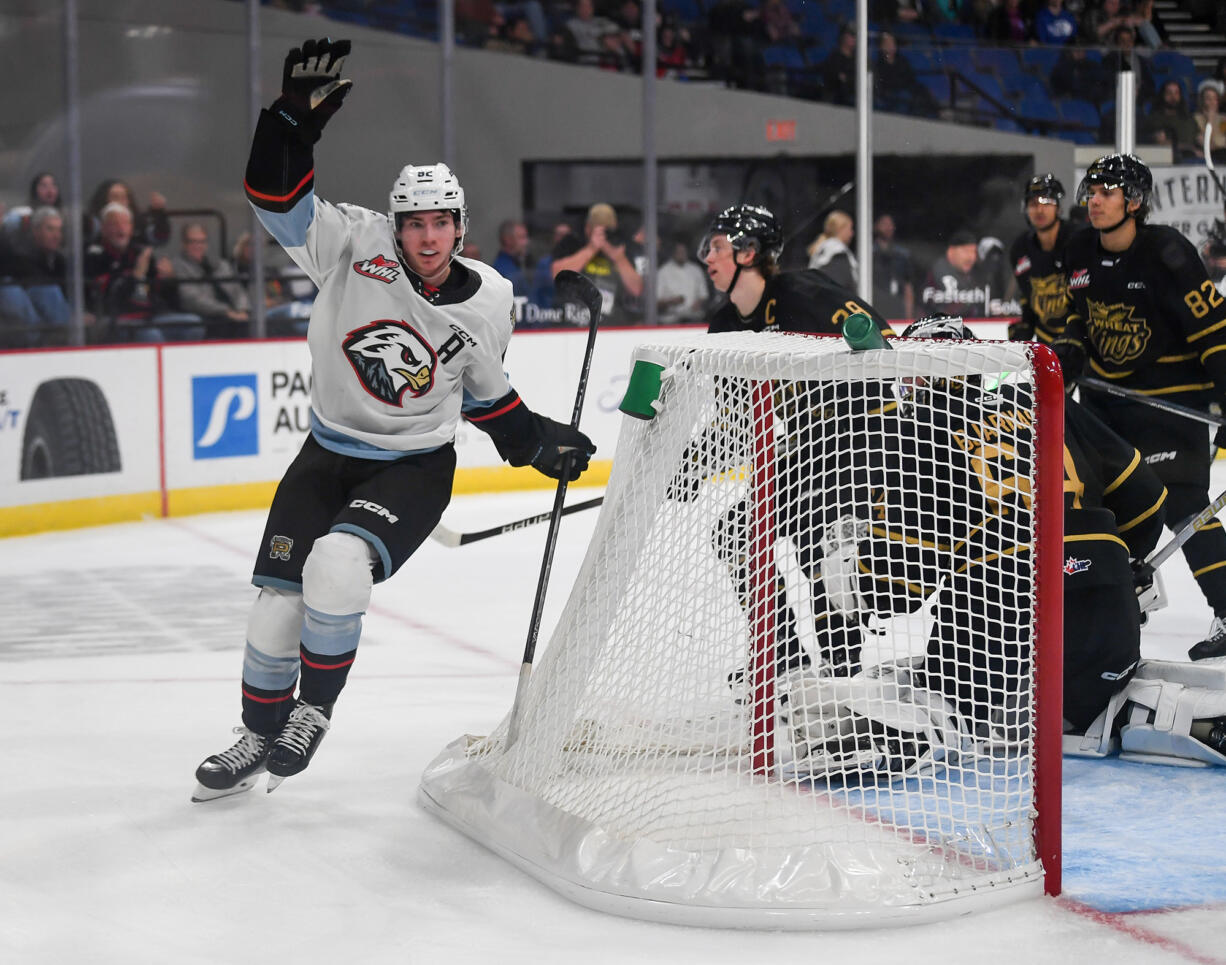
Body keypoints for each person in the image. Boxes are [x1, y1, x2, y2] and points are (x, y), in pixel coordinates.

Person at [193, 37, 596, 802]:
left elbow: (479, 389)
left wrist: (535, 440)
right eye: (415, 224)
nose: (427, 237)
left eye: (441, 223)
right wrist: (287, 124)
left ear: (460, 225)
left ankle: (312, 710)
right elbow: (274, 200)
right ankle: (254, 733)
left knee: (336, 566)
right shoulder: (353, 242)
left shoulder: (490, 299)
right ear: (397, 224)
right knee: (277, 605)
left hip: (411, 465)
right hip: (325, 453)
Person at [693, 204, 893, 678]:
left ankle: (842, 665)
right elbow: (736, 422)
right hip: (808, 444)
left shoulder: (803, 293)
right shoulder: (723, 328)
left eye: (718, 247)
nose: (707, 258)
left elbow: (883, 342)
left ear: (750, 252)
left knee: (818, 541)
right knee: (737, 532)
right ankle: (783, 656)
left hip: (863, 434)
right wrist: (692, 465)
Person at [1060, 153, 1226, 661]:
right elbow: (1076, 318)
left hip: (1171, 404)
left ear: (1134, 202)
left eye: (1107, 192)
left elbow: (1215, 334)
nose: (1094, 200)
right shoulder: (1079, 251)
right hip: (1107, 404)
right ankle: (1122, 598)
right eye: (1091, 191)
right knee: (1099, 506)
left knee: (1182, 504)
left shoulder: (1168, 253)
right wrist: (1069, 351)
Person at [1008, 174, 1075, 348]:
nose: (1039, 210)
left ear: (1058, 208)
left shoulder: (1078, 240)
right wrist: (1027, 324)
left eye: (1047, 203)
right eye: (1033, 204)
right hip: (1047, 343)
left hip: (1080, 341)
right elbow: (1027, 294)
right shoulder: (1020, 249)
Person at [549, 202, 643, 325]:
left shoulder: (620, 247)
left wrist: (618, 259)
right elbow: (556, 274)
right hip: (573, 323)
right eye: (599, 230)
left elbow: (637, 290)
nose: (604, 235)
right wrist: (591, 249)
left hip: (611, 325)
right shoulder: (572, 242)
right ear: (587, 229)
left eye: (608, 231)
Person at [171, 221, 251, 337]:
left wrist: (242, 309)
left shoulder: (219, 264)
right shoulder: (178, 266)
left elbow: (237, 290)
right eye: (192, 241)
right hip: (208, 316)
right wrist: (227, 311)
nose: (198, 246)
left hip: (234, 315)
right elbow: (191, 299)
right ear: (184, 244)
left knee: (255, 323)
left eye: (202, 241)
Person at [920, 229, 990, 318]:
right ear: (951, 252)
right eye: (965, 251)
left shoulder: (977, 275)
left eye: (974, 252)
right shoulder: (936, 273)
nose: (971, 257)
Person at [1141, 80, 1200, 163]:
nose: (1173, 97)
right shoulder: (1153, 119)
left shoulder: (1189, 119)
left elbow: (1198, 140)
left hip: (1192, 162)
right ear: (1162, 95)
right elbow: (1158, 143)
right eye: (1169, 93)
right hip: (1163, 161)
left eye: (1176, 93)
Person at [870, 213, 915, 321]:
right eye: (884, 224)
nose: (888, 228)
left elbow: (908, 287)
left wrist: (909, 316)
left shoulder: (902, 255)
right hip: (875, 309)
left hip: (897, 311)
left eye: (890, 224)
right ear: (875, 226)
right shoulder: (868, 254)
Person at [654, 237, 709, 324]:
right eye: (678, 252)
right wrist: (671, 301)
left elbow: (703, 295)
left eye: (683, 252)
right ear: (673, 253)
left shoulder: (696, 270)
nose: (681, 254)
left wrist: (698, 303)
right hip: (670, 321)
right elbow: (656, 301)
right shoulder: (663, 272)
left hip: (694, 319)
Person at [805, 210, 857, 289]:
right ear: (841, 229)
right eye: (850, 228)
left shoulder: (822, 248)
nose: (852, 233)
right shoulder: (838, 254)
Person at [491, 218, 533, 300]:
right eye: (522, 237)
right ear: (508, 240)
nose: (526, 242)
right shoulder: (505, 271)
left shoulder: (517, 265)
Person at [818, 26, 856, 107]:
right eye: (851, 36)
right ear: (843, 37)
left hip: (853, 96)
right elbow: (834, 77)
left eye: (854, 36)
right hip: (836, 97)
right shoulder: (834, 57)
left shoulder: (857, 59)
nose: (853, 39)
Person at [1193, 80, 1226, 164]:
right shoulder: (1194, 119)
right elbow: (1207, 146)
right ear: (1202, 101)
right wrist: (1210, 120)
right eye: (1208, 98)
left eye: (1215, 99)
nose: (1212, 102)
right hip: (1211, 157)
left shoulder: (1223, 119)